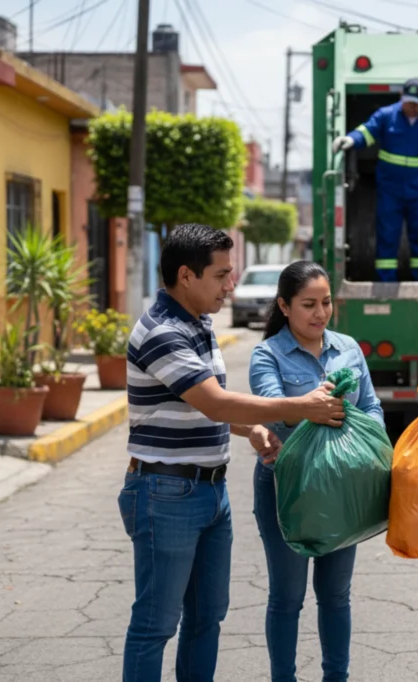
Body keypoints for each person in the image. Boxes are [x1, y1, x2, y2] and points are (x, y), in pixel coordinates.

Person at [118, 225, 346, 682]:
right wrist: (300, 407)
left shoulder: (198, 324)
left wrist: (253, 429)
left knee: (207, 620)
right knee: (156, 625)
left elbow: (207, 408)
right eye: (221, 274)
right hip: (165, 492)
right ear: (186, 275)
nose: (231, 284)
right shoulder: (162, 332)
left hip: (209, 492)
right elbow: (216, 401)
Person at [247, 260, 384, 682]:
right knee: (287, 597)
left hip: (345, 488)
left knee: (336, 596)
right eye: (308, 304)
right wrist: (315, 401)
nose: (320, 313)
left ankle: (335, 677)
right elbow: (276, 411)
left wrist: (371, 443)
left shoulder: (347, 348)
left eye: (326, 302)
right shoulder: (266, 354)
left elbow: (371, 407)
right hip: (289, 487)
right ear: (284, 306)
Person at [331, 77, 418, 282]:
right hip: (390, 191)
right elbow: (367, 132)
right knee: (387, 238)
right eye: (407, 102)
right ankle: (385, 284)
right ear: (401, 97)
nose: (411, 107)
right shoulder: (386, 116)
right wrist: (350, 139)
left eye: (415, 104)